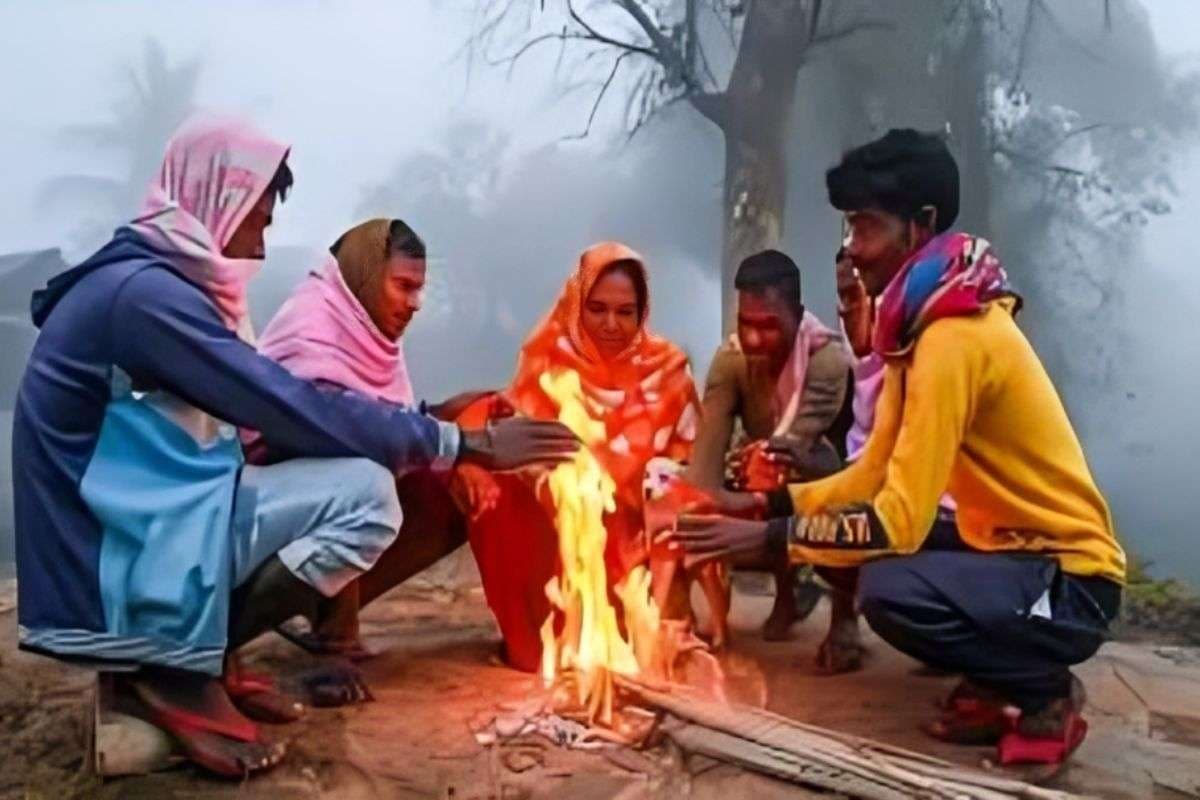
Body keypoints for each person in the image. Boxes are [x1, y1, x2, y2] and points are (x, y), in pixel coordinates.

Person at [11, 116, 577, 777]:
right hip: (102, 546)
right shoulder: (145, 296)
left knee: (382, 476)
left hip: (147, 510)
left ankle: (200, 654)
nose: (264, 232)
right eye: (258, 212)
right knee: (366, 496)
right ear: (217, 199)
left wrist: (445, 431)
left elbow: (324, 411)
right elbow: (284, 407)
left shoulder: (161, 284)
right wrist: (463, 440)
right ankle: (172, 669)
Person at [665, 129, 1125, 766]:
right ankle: (997, 682)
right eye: (848, 229)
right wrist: (767, 508)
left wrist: (773, 542)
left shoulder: (954, 336)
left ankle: (1043, 692)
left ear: (922, 225)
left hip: (1072, 580)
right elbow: (874, 471)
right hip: (1008, 549)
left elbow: (897, 520)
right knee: (889, 562)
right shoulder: (922, 321)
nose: (853, 250)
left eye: (868, 227)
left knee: (891, 591)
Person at [245, 217, 508, 657]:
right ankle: (333, 634)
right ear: (364, 277)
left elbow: (387, 419)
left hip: (344, 482)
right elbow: (342, 435)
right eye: (403, 286)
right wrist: (450, 441)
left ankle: (320, 604)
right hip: (269, 506)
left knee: (470, 434)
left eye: (418, 289)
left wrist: (461, 424)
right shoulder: (311, 329)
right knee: (363, 474)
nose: (415, 303)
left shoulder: (365, 329)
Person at [465, 242, 703, 671]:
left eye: (625, 312)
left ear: (642, 311)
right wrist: (558, 485)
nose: (612, 324)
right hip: (558, 534)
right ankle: (537, 638)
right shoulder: (547, 366)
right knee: (493, 481)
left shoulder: (668, 371)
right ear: (577, 305)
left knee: (671, 487)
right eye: (598, 309)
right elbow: (516, 443)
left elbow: (691, 467)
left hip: (643, 543)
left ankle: (650, 622)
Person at [683, 250, 858, 665]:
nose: (756, 338)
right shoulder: (731, 361)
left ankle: (845, 617)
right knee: (673, 492)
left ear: (797, 315)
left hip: (828, 471)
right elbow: (707, 454)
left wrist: (742, 499)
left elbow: (794, 451)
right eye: (746, 324)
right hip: (762, 469)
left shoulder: (827, 360)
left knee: (805, 482)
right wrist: (698, 502)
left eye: (769, 325)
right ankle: (781, 595)